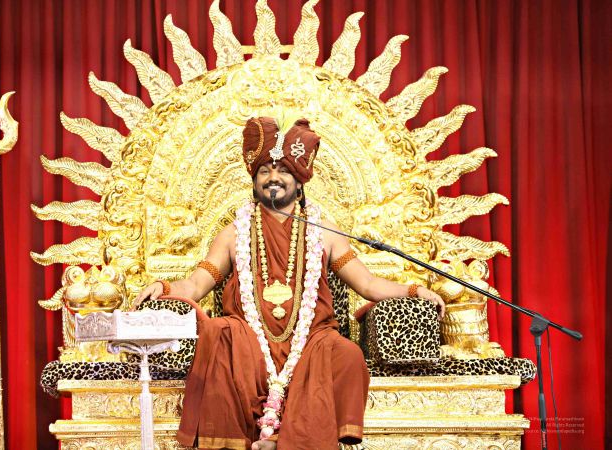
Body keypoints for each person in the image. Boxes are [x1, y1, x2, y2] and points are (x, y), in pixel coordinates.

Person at [134, 116, 445, 450]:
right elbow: (197, 284)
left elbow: (367, 283)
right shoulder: (233, 234)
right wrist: (165, 288)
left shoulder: (324, 232)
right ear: (254, 181)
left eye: (283, 170)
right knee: (223, 337)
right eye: (265, 171)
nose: (273, 178)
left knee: (348, 355)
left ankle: (286, 440)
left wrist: (413, 290)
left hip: (311, 338)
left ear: (299, 182)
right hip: (249, 339)